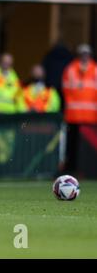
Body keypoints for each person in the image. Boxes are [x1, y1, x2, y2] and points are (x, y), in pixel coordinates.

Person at [61, 44, 97, 175]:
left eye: (86, 53)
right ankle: (70, 169)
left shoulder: (95, 70)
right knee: (71, 146)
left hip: (90, 116)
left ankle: (88, 171)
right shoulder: (70, 69)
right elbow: (65, 90)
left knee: (87, 147)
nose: (85, 56)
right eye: (82, 53)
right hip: (73, 115)